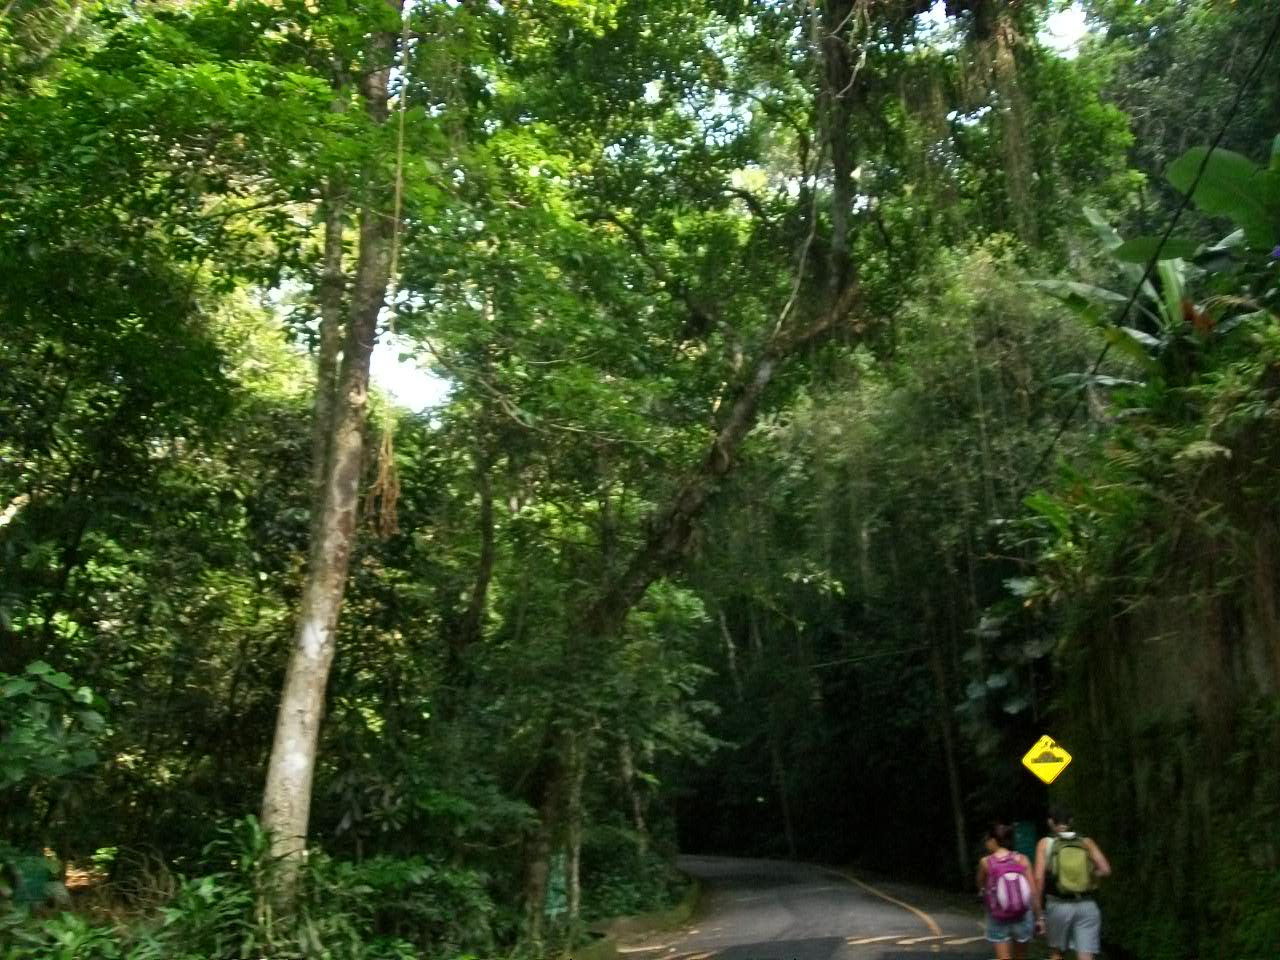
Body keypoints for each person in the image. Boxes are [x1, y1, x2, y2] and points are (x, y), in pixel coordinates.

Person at [1034, 804, 1112, 960]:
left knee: (1057, 953)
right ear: (1071, 821)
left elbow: (1038, 879)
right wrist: (1089, 876)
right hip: (1086, 905)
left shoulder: (1045, 844)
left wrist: (1039, 914)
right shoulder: (1086, 842)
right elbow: (1105, 870)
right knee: (1086, 955)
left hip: (1058, 906)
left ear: (1050, 822)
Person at [977, 821, 1037, 959]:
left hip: (998, 915)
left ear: (993, 840)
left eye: (987, 839)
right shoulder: (1022, 859)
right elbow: (1032, 891)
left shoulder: (986, 862)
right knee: (1021, 956)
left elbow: (981, 884)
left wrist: (982, 890)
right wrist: (1038, 916)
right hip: (1022, 914)